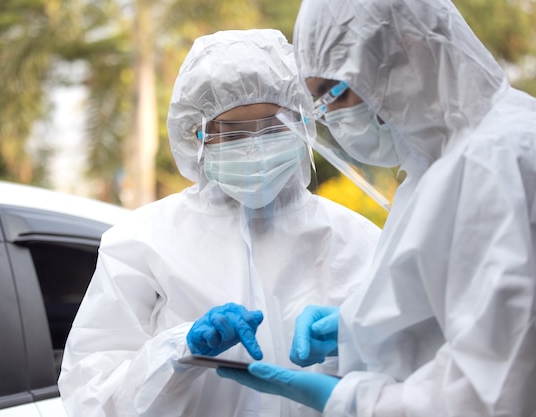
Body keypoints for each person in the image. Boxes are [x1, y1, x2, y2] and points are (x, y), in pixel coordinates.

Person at [218, 0, 536, 416]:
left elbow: (496, 394)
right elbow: (449, 316)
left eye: (334, 93)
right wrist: (355, 329)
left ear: (405, 53)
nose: (329, 116)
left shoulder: (498, 161)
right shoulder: (438, 166)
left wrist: (349, 400)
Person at [57, 29, 381, 417]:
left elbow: (410, 376)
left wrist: (357, 346)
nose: (257, 147)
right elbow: (90, 396)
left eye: (274, 127)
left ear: (303, 122)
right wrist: (180, 350)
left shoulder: (358, 239)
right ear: (196, 136)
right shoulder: (141, 243)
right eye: (234, 133)